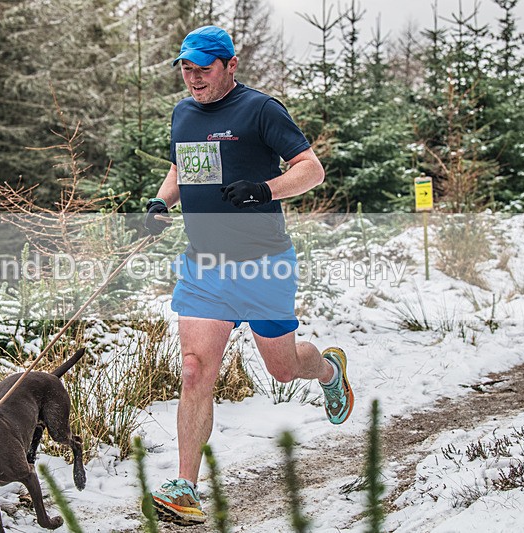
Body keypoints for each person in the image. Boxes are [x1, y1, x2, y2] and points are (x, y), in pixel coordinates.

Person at [143, 26, 354, 526]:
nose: (194, 79)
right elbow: (182, 167)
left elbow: (312, 169)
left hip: (264, 266)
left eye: (204, 69)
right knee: (195, 370)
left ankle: (328, 371)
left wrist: (266, 189)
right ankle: (185, 487)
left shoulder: (261, 110)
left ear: (230, 65)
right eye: (187, 69)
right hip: (204, 267)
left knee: (283, 368)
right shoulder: (183, 112)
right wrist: (161, 201)